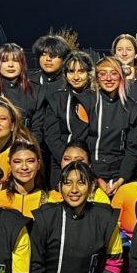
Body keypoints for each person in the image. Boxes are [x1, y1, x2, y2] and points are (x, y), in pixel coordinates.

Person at [86, 56, 137, 197]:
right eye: (103, 73)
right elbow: (83, 143)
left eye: (114, 73)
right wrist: (97, 179)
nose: (108, 78)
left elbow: (132, 148)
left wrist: (121, 179)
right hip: (92, 173)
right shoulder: (88, 103)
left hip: (121, 174)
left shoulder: (132, 108)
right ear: (97, 78)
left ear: (121, 76)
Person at [39, 50, 95, 184]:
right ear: (65, 74)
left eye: (81, 71)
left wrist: (85, 161)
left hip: (91, 164)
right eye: (71, 71)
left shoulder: (98, 98)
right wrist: (68, 160)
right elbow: (51, 136)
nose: (75, 76)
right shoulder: (56, 99)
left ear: (89, 73)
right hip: (61, 164)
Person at [0, 43, 41, 128]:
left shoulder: (34, 89)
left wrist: (30, 140)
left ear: (22, 64)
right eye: (5, 61)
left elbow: (38, 125)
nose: (10, 65)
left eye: (16, 60)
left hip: (27, 138)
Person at [0, 139, 50, 219]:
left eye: (30, 161)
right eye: (17, 162)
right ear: (9, 164)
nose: (24, 167)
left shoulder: (50, 201)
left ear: (38, 164)